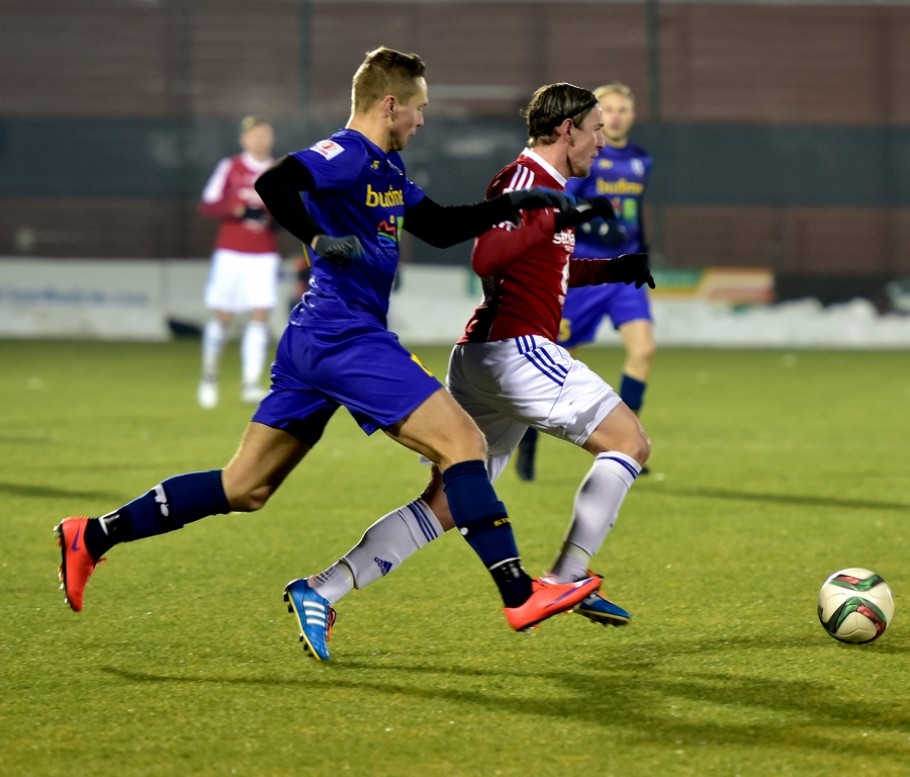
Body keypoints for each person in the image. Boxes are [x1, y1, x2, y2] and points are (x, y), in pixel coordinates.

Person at [55, 47, 602, 660]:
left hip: (315, 340)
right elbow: (274, 183)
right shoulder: (347, 153)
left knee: (245, 487)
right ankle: (518, 592)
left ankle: (92, 536)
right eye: (418, 108)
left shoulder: (387, 169)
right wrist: (316, 236)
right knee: (464, 445)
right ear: (390, 104)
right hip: (346, 337)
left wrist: (514, 205)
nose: (422, 120)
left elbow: (441, 226)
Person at [288, 82, 654, 659]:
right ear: (567, 130)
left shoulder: (545, 185)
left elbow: (544, 267)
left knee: (445, 503)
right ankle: (564, 578)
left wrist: (614, 268)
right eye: (596, 130)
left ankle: (321, 589)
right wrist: (549, 218)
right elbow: (487, 256)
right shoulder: (526, 180)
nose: (602, 143)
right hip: (516, 351)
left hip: (489, 356)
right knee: (629, 442)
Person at [515, 83, 655, 481]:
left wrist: (642, 249)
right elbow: (565, 204)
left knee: (644, 350)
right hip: (586, 271)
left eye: (623, 109)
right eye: (608, 110)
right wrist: (596, 225)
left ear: (632, 115)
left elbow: (636, 210)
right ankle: (528, 439)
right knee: (560, 363)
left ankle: (627, 443)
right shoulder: (586, 155)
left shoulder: (641, 160)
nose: (616, 116)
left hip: (624, 273)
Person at [197, 115, 282, 409]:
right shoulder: (230, 167)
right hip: (231, 253)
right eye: (254, 135)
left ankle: (250, 384)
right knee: (224, 316)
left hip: (264, 255)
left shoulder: (278, 170)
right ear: (244, 139)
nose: (260, 140)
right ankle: (209, 376)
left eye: (265, 134)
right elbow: (208, 204)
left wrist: (271, 216)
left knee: (259, 315)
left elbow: (291, 210)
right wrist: (237, 209)